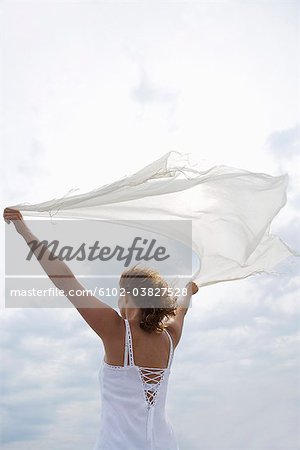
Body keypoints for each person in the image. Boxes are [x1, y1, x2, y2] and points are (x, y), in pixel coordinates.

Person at [3, 207, 199, 449]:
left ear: (128, 295)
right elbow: (181, 310)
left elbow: (65, 280)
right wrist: (188, 291)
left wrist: (24, 231)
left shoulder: (117, 331)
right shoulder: (170, 338)